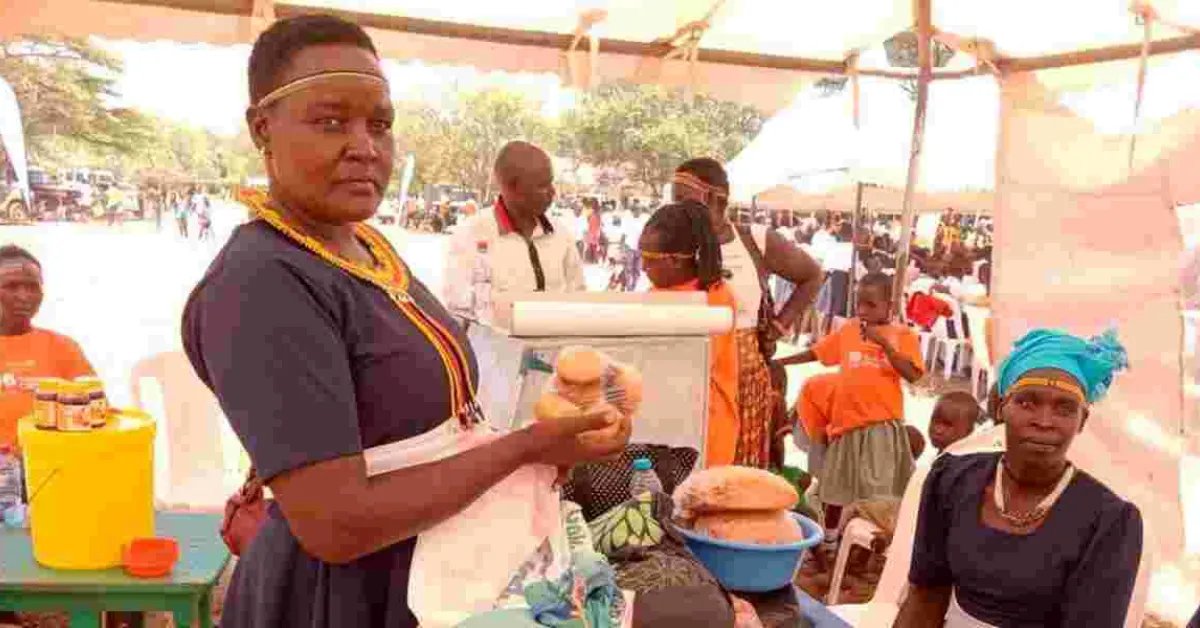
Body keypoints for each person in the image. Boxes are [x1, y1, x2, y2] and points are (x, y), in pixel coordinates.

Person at [181, 16, 628, 628]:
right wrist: (525, 446)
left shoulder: (364, 247)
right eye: (331, 122)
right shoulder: (261, 282)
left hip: (423, 570)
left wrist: (544, 444)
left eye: (380, 125)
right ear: (262, 127)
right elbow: (335, 524)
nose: (364, 146)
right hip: (341, 598)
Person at [895, 329, 1143, 628]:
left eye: (1064, 409)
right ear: (1002, 408)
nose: (1044, 421)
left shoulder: (1108, 522)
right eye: (1027, 403)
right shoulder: (951, 479)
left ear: (1082, 421)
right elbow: (925, 597)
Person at [672, 158, 823, 468]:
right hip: (690, 372)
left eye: (682, 200)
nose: (675, 209)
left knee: (737, 467)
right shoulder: (673, 242)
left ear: (715, 199)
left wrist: (778, 327)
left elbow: (812, 276)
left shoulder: (754, 240)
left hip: (744, 374)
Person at [775, 273, 923, 556]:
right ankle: (830, 543)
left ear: (889, 305)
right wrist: (782, 362)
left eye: (871, 304)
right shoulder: (850, 330)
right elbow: (818, 353)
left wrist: (886, 345)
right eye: (859, 303)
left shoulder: (903, 335)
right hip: (845, 426)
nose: (863, 311)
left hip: (880, 426)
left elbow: (913, 375)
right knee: (835, 489)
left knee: (877, 493)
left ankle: (870, 551)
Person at [639, 201, 740, 467]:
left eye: (649, 259)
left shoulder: (714, 298)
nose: (642, 267)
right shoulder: (657, 292)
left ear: (676, 260)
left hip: (704, 428)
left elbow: (688, 363)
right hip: (664, 425)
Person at [444, 141, 585, 314]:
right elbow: (459, 310)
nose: (552, 192)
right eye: (542, 186)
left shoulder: (561, 235)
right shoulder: (470, 235)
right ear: (511, 188)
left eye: (551, 183)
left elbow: (578, 299)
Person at [0, 245, 96, 450]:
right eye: (11, 286)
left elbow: (95, 416)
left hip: (51, 463)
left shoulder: (64, 348)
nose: (23, 296)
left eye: (32, 287)